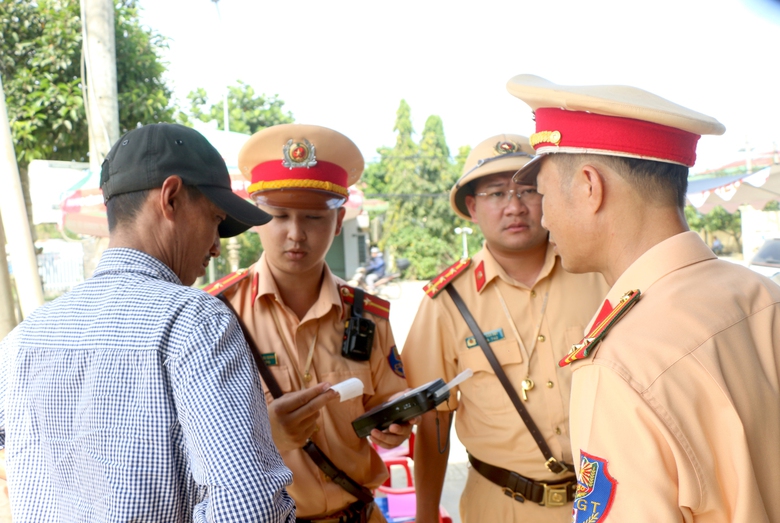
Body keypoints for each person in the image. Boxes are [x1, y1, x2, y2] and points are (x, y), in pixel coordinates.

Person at [507, 74, 780, 522]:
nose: (541, 214)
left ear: (590, 187)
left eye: (542, 193)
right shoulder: (763, 295)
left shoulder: (617, 362)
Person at [0, 123, 296, 522]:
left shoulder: (25, 338)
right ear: (170, 198)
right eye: (214, 218)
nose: (214, 244)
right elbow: (247, 504)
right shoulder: (193, 320)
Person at [207, 124, 414, 523]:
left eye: (315, 218)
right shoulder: (217, 315)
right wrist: (264, 434)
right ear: (254, 220)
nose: (295, 234)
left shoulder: (367, 316)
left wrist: (393, 424)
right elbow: (188, 446)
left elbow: (385, 404)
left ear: (338, 224)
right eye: (278, 216)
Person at [402, 134, 609, 523]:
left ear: (549, 196)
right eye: (496, 194)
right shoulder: (447, 302)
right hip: (499, 506)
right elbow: (434, 422)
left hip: (607, 499)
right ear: (472, 206)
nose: (514, 207)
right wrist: (426, 514)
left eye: (528, 190)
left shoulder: (598, 274)